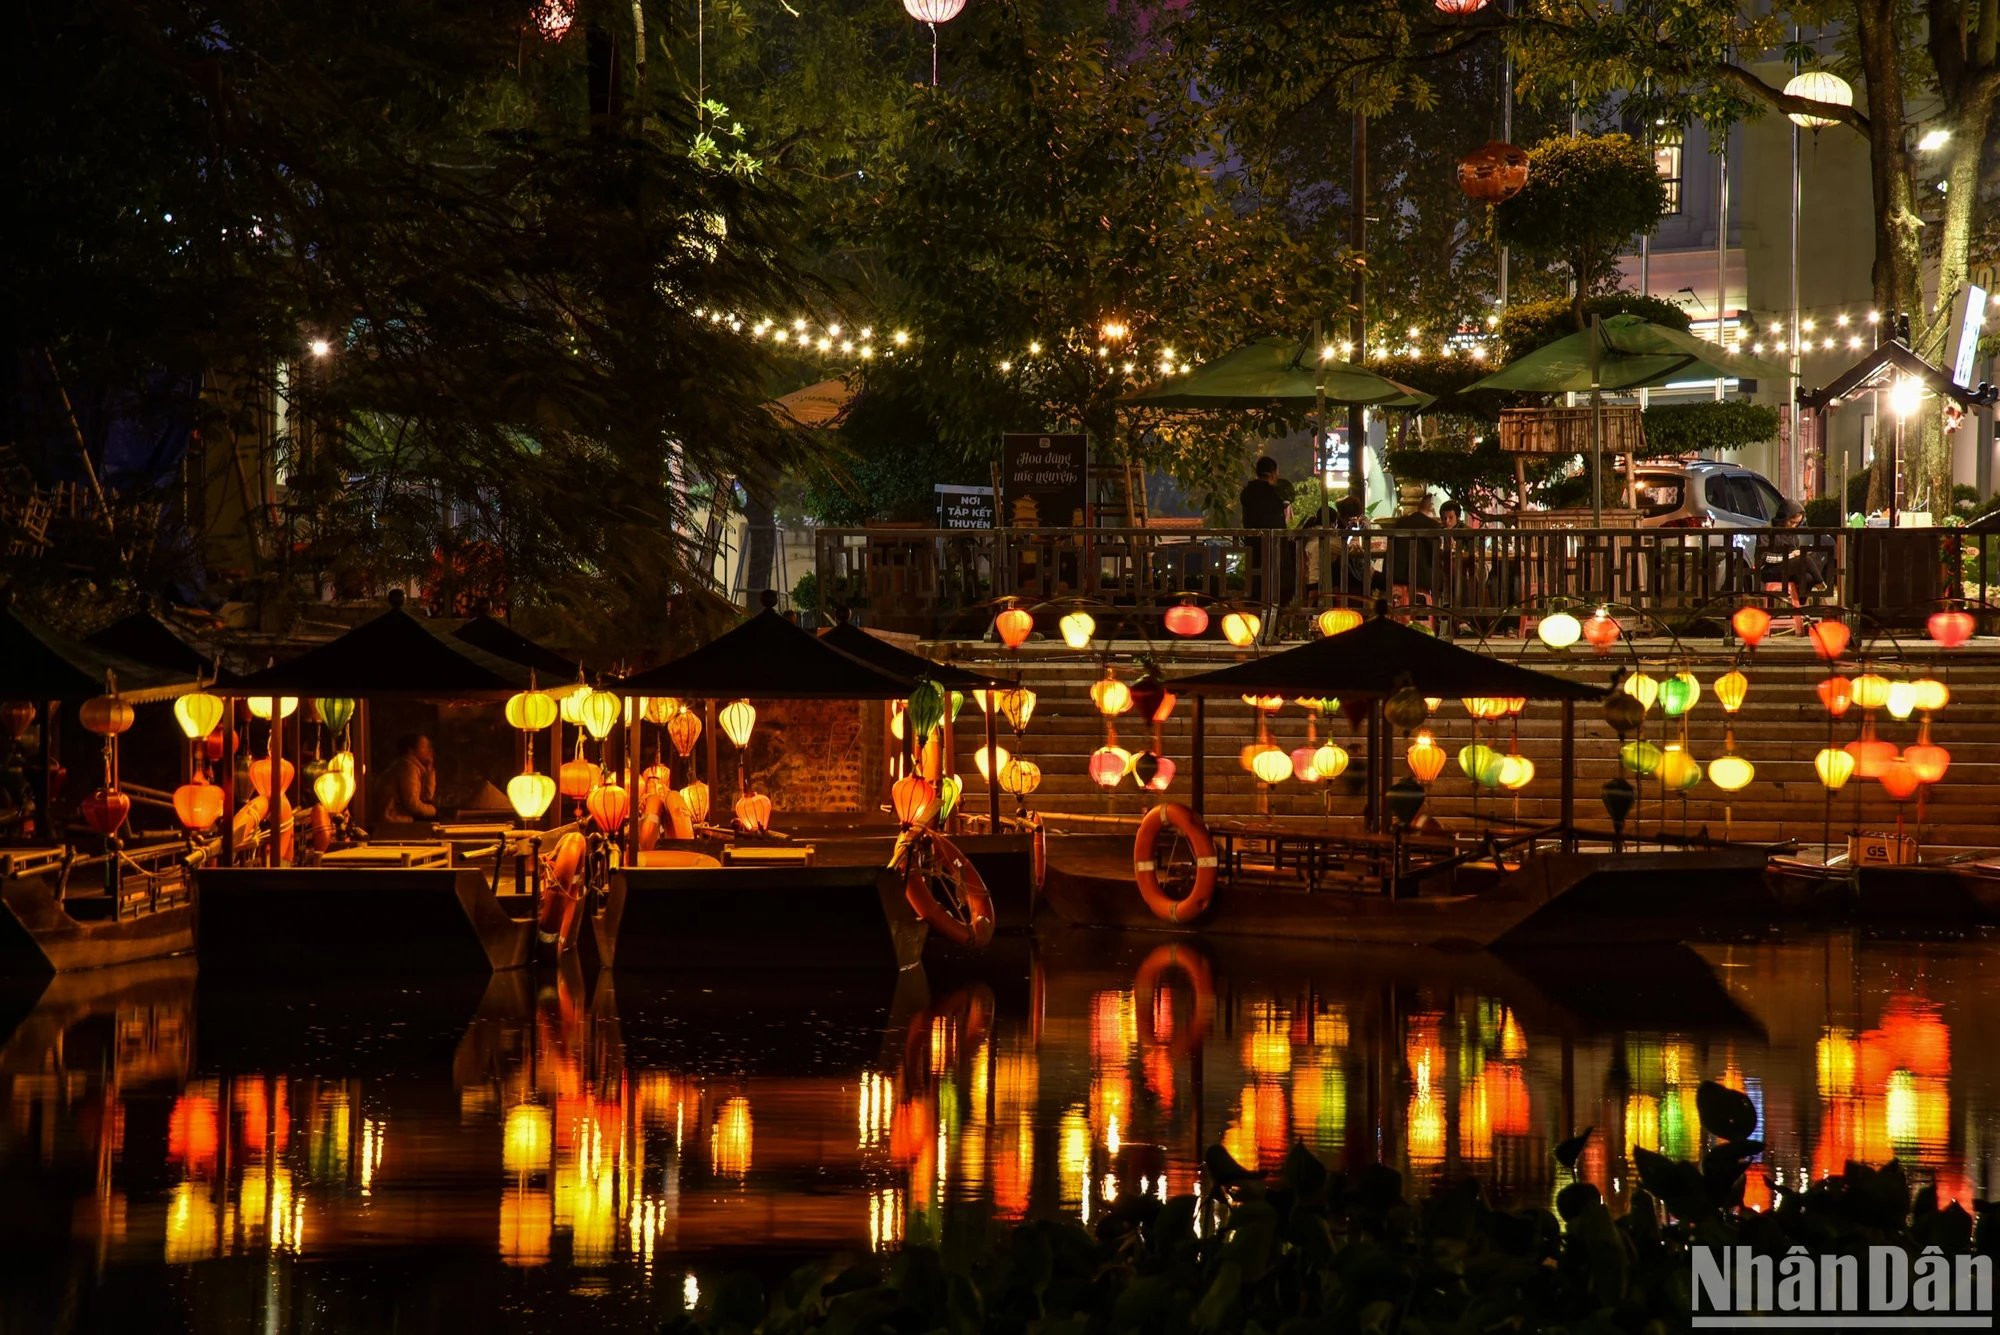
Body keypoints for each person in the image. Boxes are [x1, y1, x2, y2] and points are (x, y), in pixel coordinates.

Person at [1239, 457, 1290, 604]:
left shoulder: (1248, 493)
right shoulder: (1271, 495)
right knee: (1272, 593)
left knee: (1257, 590)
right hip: (1272, 551)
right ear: (1272, 473)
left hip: (1253, 548)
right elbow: (1273, 523)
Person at [379, 733, 438, 825]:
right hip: (393, 819)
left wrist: (430, 771)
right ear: (411, 750)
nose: (429, 751)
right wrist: (433, 810)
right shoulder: (408, 767)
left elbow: (426, 798)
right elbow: (412, 804)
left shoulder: (416, 768)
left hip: (398, 819)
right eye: (424, 747)